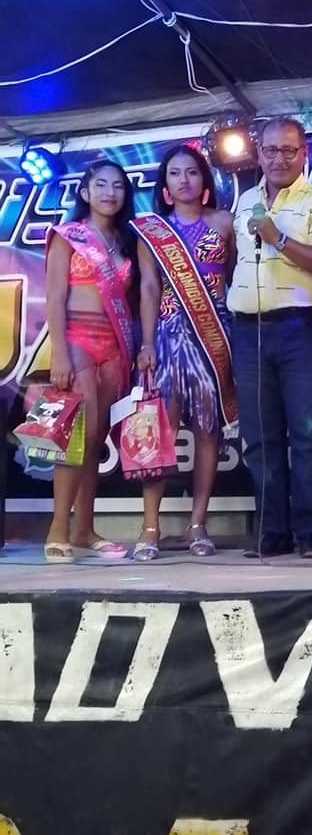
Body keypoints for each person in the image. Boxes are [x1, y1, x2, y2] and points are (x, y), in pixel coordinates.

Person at [229, 116, 312, 559]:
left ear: (304, 154)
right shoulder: (245, 202)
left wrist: (278, 239)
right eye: (271, 150)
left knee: (309, 435)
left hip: (301, 329)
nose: (279, 158)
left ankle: (311, 534)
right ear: (258, 154)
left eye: (288, 150)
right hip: (249, 330)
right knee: (260, 438)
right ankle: (271, 532)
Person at [133, 144, 237, 560]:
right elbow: (148, 288)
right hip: (167, 336)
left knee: (208, 430)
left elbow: (235, 276)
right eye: (175, 173)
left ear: (204, 179)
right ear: (165, 184)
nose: (184, 180)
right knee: (159, 431)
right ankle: (150, 526)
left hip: (214, 335)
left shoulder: (225, 222)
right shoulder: (151, 230)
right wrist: (146, 342)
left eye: (192, 172)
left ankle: (198, 523)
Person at [44, 160, 137, 562]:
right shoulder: (68, 235)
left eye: (117, 186)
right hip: (76, 339)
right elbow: (53, 298)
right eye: (101, 185)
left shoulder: (126, 240)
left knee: (97, 440)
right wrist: (59, 353)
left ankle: (84, 528)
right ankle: (57, 528)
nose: (109, 193)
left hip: (113, 344)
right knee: (75, 437)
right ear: (85, 192)